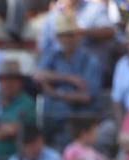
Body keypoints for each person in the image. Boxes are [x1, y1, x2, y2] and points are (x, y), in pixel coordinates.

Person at [33, 14, 102, 145]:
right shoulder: (54, 56)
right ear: (58, 38)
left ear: (78, 36)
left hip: (77, 117)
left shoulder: (90, 60)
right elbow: (37, 75)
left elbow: (87, 96)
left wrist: (56, 93)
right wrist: (69, 78)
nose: (67, 39)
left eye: (71, 35)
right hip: (52, 116)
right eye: (63, 35)